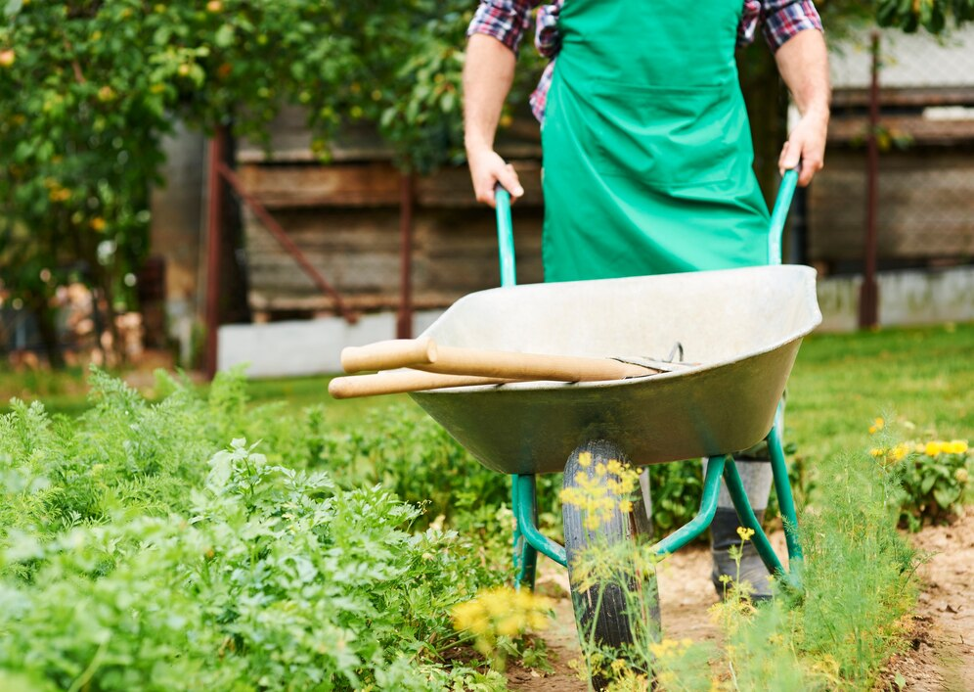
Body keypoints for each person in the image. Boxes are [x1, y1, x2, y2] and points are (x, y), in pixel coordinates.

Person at [463, 1, 830, 599]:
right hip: (594, 166)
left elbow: (791, 17)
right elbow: (497, 21)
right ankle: (620, 558)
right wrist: (479, 143)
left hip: (708, 166)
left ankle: (741, 549)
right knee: (599, 369)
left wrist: (813, 113)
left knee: (750, 345)